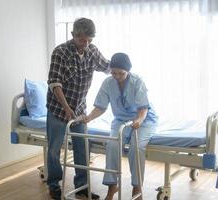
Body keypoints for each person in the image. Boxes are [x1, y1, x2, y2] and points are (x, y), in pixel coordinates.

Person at [46, 17, 110, 200]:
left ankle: (82, 186)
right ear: (73, 35)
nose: (86, 43)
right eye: (83, 39)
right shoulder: (60, 52)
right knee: (54, 149)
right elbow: (55, 84)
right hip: (58, 109)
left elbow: (106, 66)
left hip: (80, 110)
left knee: (83, 147)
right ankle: (54, 185)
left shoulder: (92, 51)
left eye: (90, 40)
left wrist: (122, 67)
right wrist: (66, 108)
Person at [84, 53, 158, 200]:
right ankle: (112, 187)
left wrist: (139, 120)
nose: (117, 76)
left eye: (121, 73)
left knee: (136, 147)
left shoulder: (137, 82)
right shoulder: (108, 83)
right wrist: (88, 118)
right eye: (113, 73)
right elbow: (100, 107)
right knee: (112, 144)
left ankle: (137, 187)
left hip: (143, 120)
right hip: (121, 120)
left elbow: (143, 109)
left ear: (128, 71)